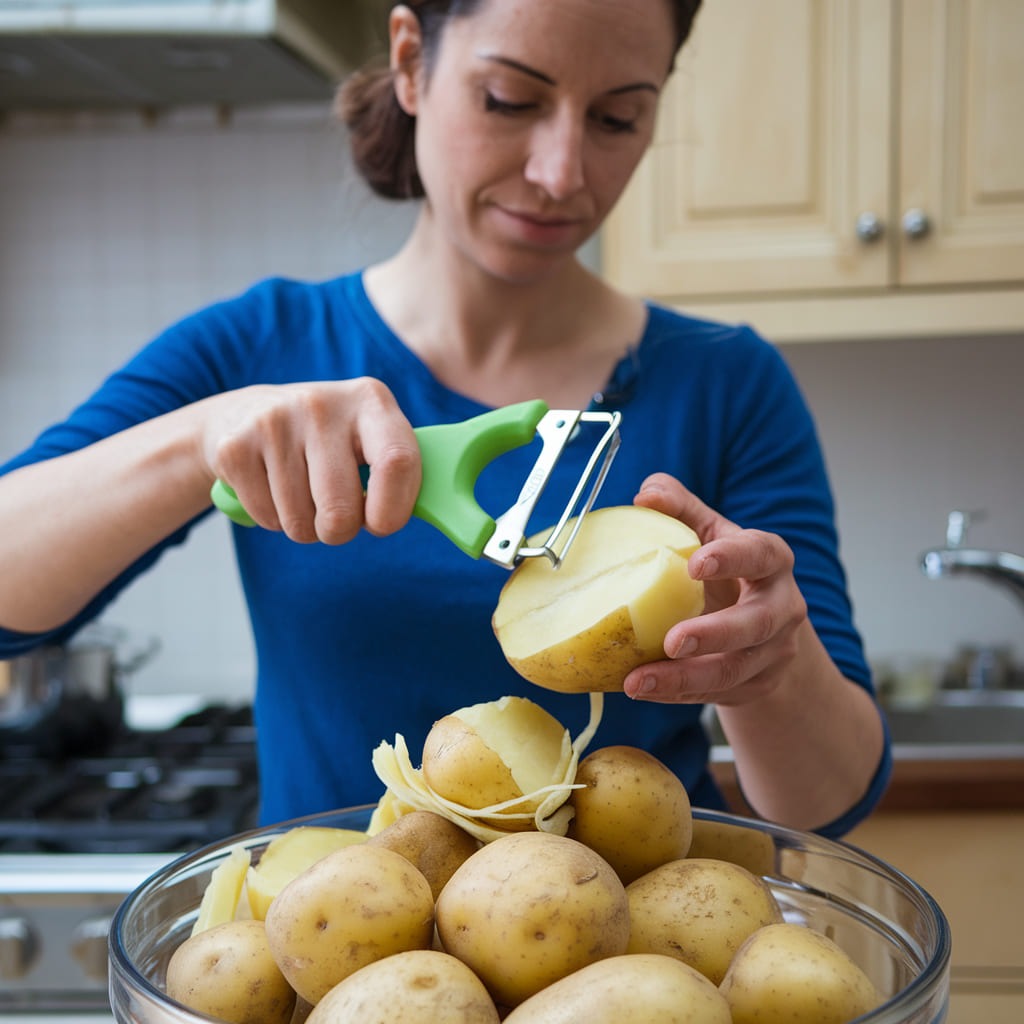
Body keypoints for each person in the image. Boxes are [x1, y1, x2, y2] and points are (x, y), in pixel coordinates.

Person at [0, 0, 889, 837]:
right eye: (509, 99)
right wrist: (197, 444)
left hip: (631, 956)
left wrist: (773, 666)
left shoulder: (727, 381)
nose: (560, 173)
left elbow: (827, 804)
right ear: (412, 64)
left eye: (617, 118)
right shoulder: (257, 349)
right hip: (342, 965)